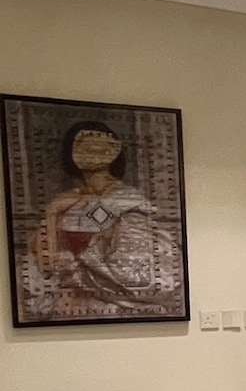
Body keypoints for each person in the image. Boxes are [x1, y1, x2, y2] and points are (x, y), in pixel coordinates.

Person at [24, 120, 176, 318]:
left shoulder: (130, 201)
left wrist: (79, 268)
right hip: (68, 307)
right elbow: (46, 264)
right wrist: (52, 213)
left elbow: (137, 272)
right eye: (81, 145)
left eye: (99, 145)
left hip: (115, 309)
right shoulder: (64, 202)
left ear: (113, 152)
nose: (89, 151)